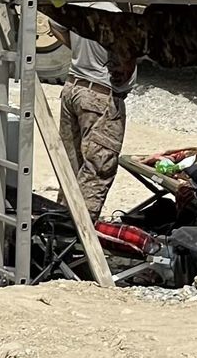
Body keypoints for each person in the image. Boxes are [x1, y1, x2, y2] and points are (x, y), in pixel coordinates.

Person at [53, 21, 136, 222]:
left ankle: (60, 224)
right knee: (98, 169)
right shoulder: (112, 15)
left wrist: (81, 52)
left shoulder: (81, 9)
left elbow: (54, 25)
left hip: (74, 87)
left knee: (71, 166)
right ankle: (79, 229)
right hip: (99, 94)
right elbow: (127, 55)